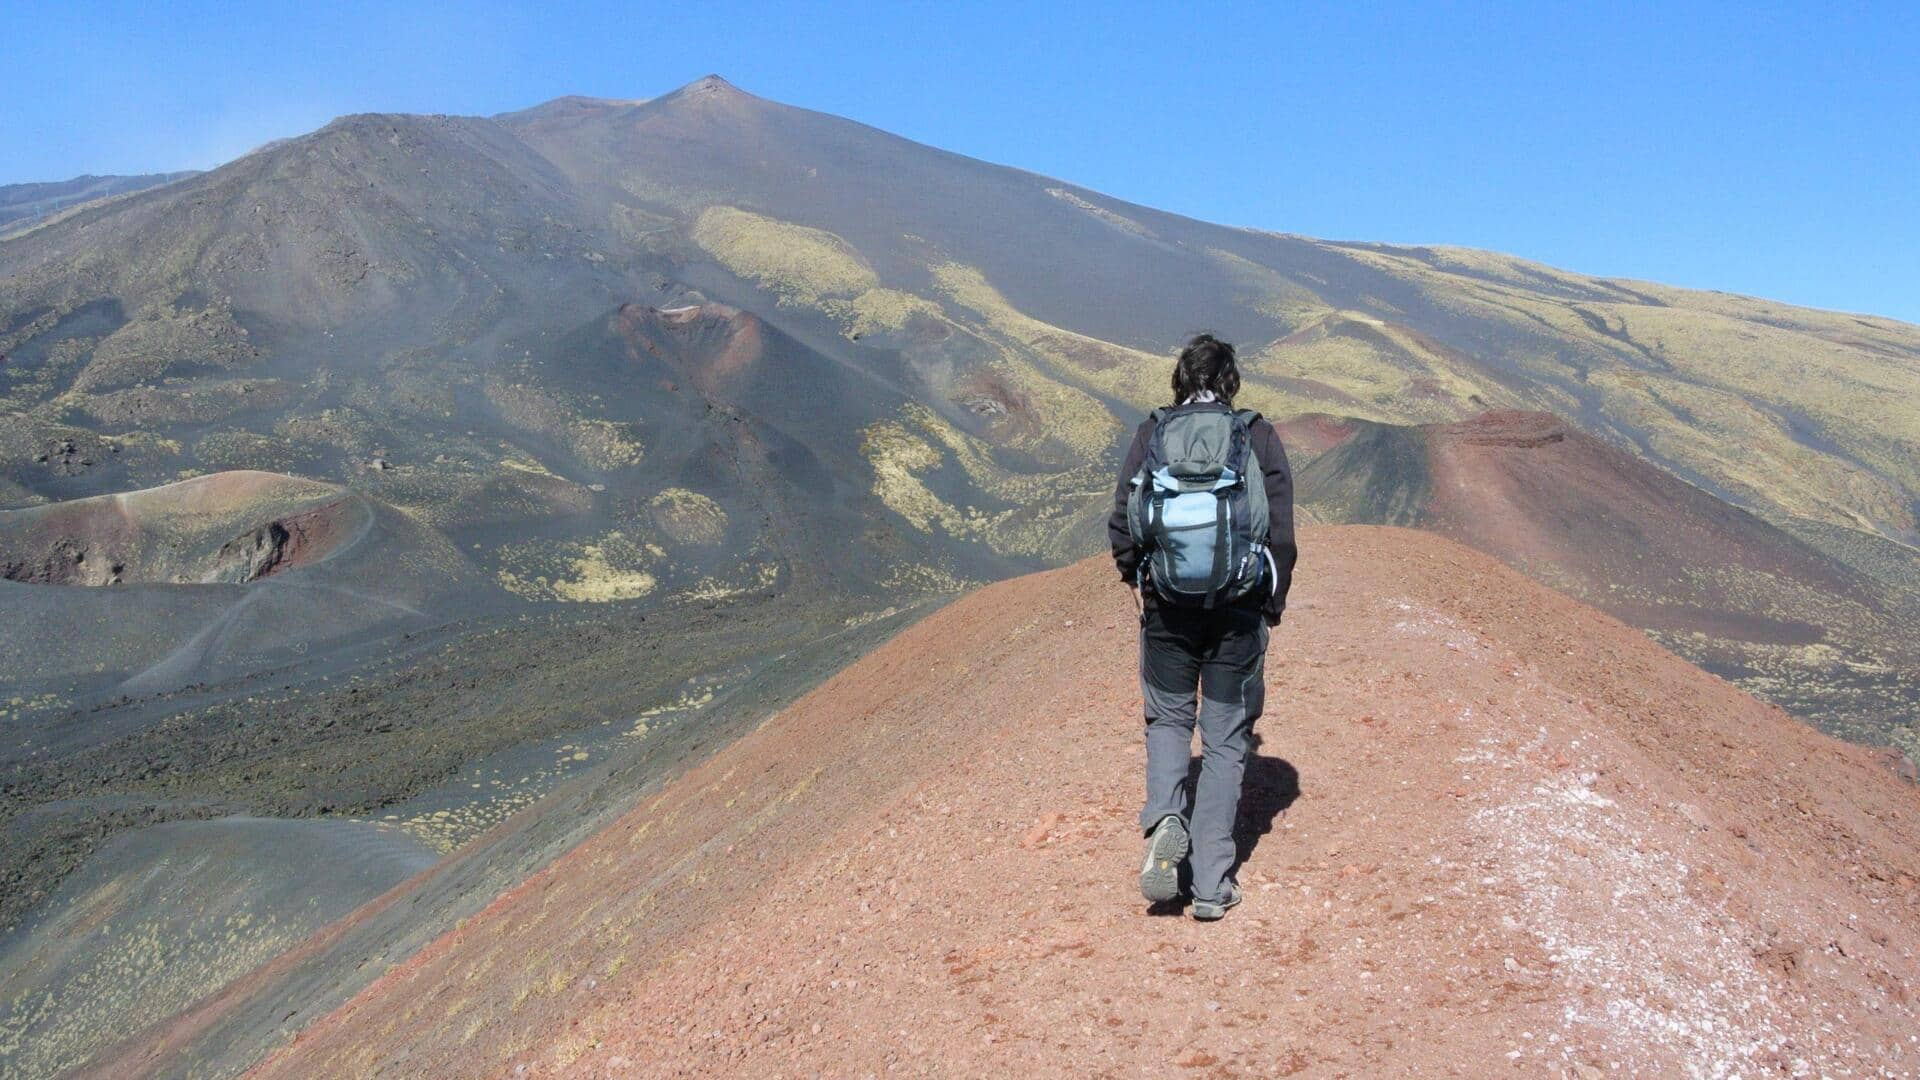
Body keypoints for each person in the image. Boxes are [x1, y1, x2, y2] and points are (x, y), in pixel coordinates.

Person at [1107, 333, 1296, 920]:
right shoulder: (1254, 435)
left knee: (1167, 719)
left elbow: (1122, 522)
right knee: (1225, 742)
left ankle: (1167, 813)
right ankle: (1212, 886)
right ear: (1230, 381)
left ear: (1181, 379)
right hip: (1237, 611)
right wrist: (1270, 603)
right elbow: (1282, 534)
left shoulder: (1153, 433)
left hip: (1167, 610)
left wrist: (1140, 582)